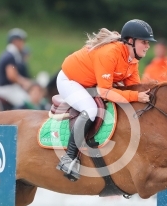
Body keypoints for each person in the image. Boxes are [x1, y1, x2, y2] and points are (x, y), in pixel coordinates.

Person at [55, 19, 155, 181]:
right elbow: (105, 92)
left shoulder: (132, 60)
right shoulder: (110, 53)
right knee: (92, 110)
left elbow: (134, 87)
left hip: (90, 83)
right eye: (144, 42)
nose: (148, 46)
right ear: (130, 41)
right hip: (70, 81)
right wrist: (136, 96)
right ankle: (68, 158)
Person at [0, 28, 32, 110]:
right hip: (7, 89)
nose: (23, 43)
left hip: (8, 88)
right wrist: (25, 82)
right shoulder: (10, 56)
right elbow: (11, 76)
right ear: (15, 41)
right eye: (22, 41)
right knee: (27, 102)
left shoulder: (9, 54)